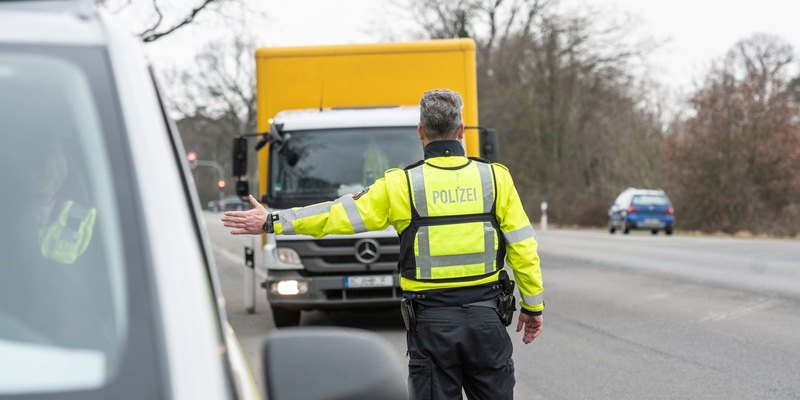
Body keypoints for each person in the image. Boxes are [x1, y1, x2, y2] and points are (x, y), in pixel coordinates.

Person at [222, 89, 544, 399]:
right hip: (487, 321)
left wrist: (272, 221)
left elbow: (335, 215)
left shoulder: (401, 184)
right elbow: (523, 248)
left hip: (432, 325)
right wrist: (532, 307)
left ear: (421, 131)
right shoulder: (496, 179)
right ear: (461, 131)